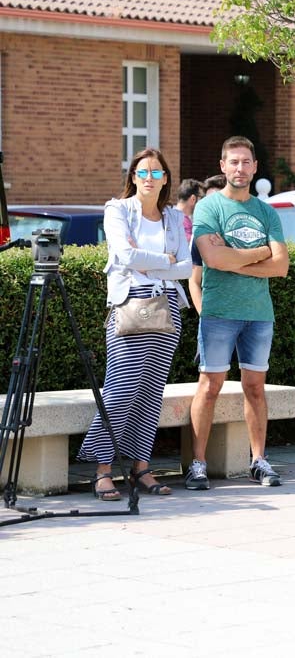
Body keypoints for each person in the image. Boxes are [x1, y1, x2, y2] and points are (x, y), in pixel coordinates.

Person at [80, 148, 192, 500]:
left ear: (165, 179)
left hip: (167, 307)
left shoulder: (172, 218)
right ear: (132, 177)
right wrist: (164, 260)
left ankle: (141, 467)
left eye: (157, 173)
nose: (149, 178)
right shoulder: (118, 210)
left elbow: (186, 268)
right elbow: (124, 257)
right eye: (142, 172)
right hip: (129, 305)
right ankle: (102, 469)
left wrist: (151, 264)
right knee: (119, 391)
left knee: (150, 392)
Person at [187, 136, 289, 489]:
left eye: (246, 162)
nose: (240, 168)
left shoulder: (266, 211)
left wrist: (236, 260)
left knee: (255, 387)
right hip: (218, 311)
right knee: (210, 385)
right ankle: (197, 464)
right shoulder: (208, 208)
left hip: (259, 313)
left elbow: (281, 266)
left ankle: (259, 460)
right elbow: (213, 259)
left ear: (255, 167)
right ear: (222, 166)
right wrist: (258, 252)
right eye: (233, 162)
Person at [187, 175, 226, 314]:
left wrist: (225, 250)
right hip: (213, 317)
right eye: (208, 201)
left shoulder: (243, 232)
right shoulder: (201, 235)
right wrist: (204, 315)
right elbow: (194, 280)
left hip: (248, 314)